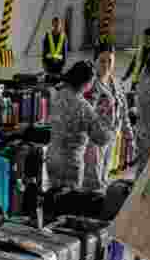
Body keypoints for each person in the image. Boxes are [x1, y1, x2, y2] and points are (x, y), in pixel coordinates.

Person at [47, 61, 116, 190]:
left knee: (53, 198)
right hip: (70, 163)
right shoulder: (83, 107)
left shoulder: (58, 95)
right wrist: (106, 119)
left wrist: (95, 111)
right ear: (86, 83)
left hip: (52, 157)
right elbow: (102, 138)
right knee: (68, 204)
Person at [84, 44, 134, 191]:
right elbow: (85, 115)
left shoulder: (115, 83)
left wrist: (128, 133)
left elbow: (123, 110)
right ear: (94, 61)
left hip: (111, 137)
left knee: (104, 174)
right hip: (95, 141)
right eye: (102, 61)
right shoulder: (89, 85)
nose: (106, 65)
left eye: (110, 61)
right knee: (93, 179)